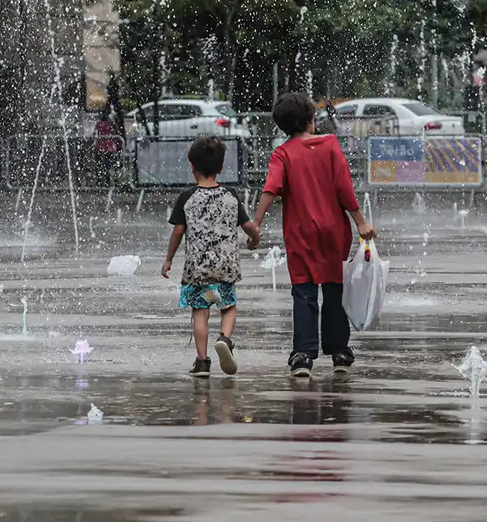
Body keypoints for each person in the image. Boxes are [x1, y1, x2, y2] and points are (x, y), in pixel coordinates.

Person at [252, 92, 379, 378]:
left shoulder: (282, 153)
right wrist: (360, 221)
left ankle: (303, 355)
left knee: (304, 291)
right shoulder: (330, 145)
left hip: (300, 234)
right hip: (334, 231)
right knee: (335, 288)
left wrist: (256, 224)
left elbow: (270, 189)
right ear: (311, 120)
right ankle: (340, 352)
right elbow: (343, 187)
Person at [161, 136, 261, 378]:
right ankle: (225, 339)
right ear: (221, 166)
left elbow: (178, 231)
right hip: (225, 266)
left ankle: (203, 361)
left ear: (192, 167)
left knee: (200, 311)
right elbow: (247, 225)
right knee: (228, 306)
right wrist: (254, 238)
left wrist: (169, 259)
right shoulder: (230, 195)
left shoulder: (187, 197)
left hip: (197, 269)